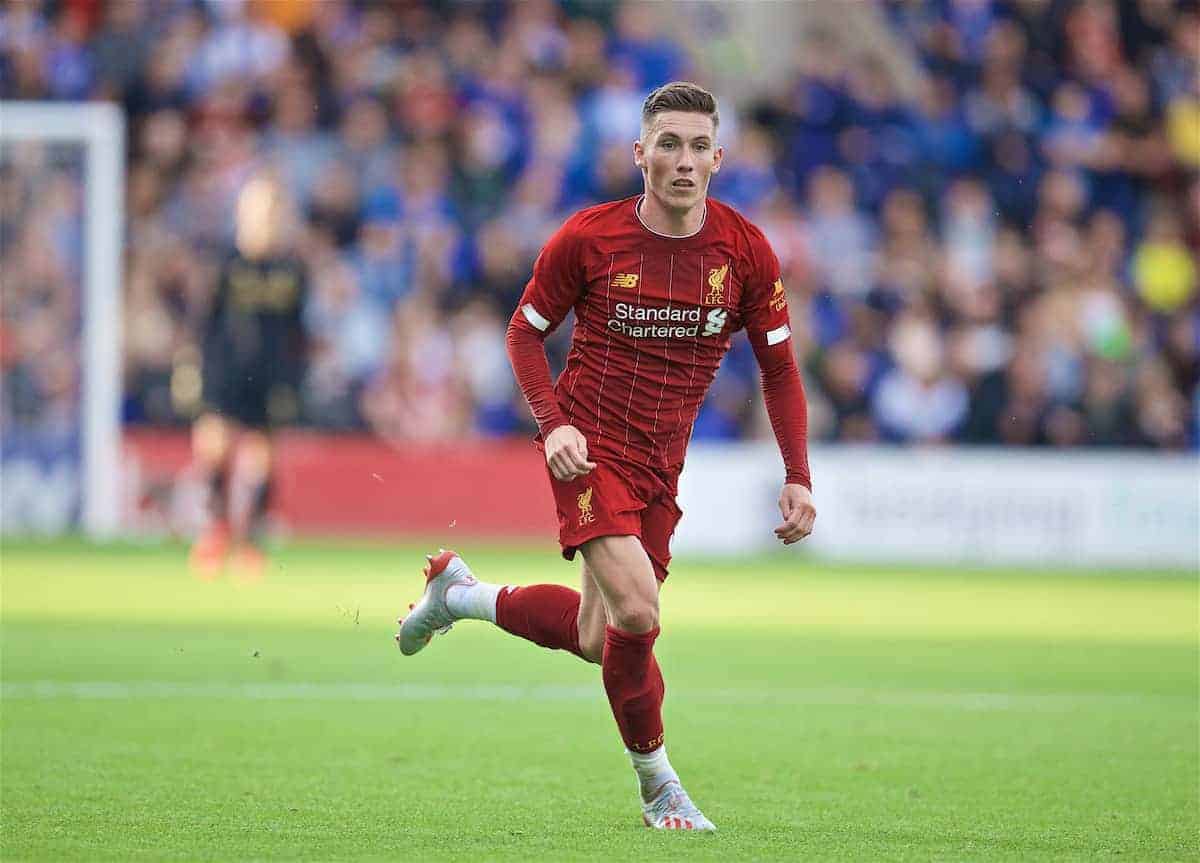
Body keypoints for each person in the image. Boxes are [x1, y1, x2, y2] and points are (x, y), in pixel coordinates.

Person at [396, 82, 816, 831]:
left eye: (697, 146)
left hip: (662, 464)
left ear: (718, 158)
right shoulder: (589, 238)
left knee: (599, 639)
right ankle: (660, 786)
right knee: (637, 608)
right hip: (588, 452)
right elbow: (523, 333)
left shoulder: (746, 251)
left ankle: (457, 595)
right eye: (667, 144)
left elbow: (780, 369)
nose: (682, 161)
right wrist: (553, 424)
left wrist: (798, 475)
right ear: (639, 154)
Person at [188, 175, 307, 581]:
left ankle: (251, 539)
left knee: (262, 456)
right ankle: (216, 530)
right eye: (261, 209)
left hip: (269, 375)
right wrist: (192, 368)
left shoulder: (291, 268)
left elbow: (296, 330)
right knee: (215, 448)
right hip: (225, 370)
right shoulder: (224, 263)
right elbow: (203, 321)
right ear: (243, 212)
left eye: (275, 210)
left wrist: (293, 379)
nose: (269, 219)